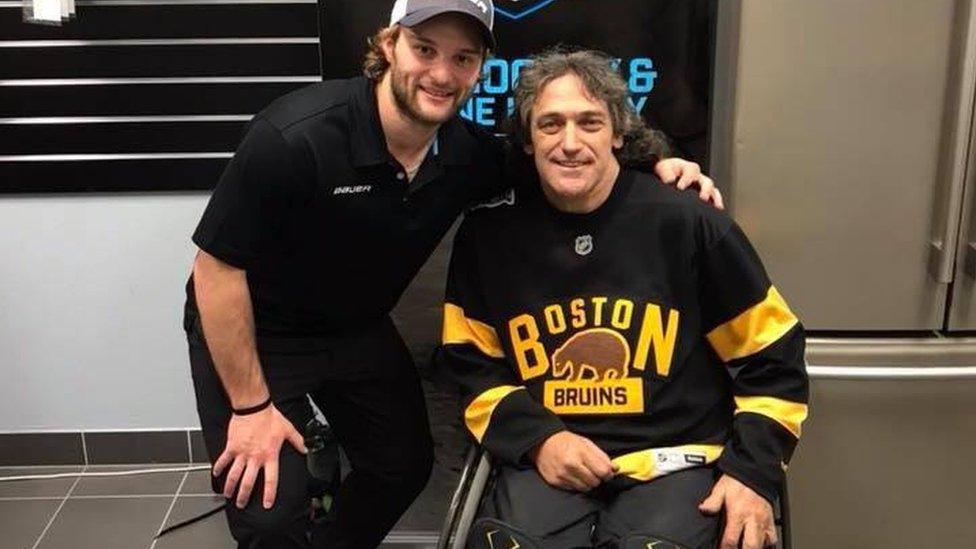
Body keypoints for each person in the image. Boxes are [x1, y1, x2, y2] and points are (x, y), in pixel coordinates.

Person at [183, 0, 722, 546]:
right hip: (254, 325)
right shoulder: (294, 135)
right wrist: (250, 408)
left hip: (354, 326)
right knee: (272, 509)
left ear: (480, 68)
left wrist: (658, 162)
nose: (442, 74)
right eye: (424, 50)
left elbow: (567, 152)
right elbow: (216, 268)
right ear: (388, 45)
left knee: (402, 467)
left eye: (463, 58)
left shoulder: (468, 155)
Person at [438, 48, 809, 549]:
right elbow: (471, 363)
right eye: (550, 125)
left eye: (589, 123)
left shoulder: (688, 223)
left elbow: (774, 359)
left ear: (618, 134)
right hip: (551, 459)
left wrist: (752, 474)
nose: (569, 143)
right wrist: (539, 440)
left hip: (679, 462)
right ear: (527, 140)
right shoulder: (488, 234)